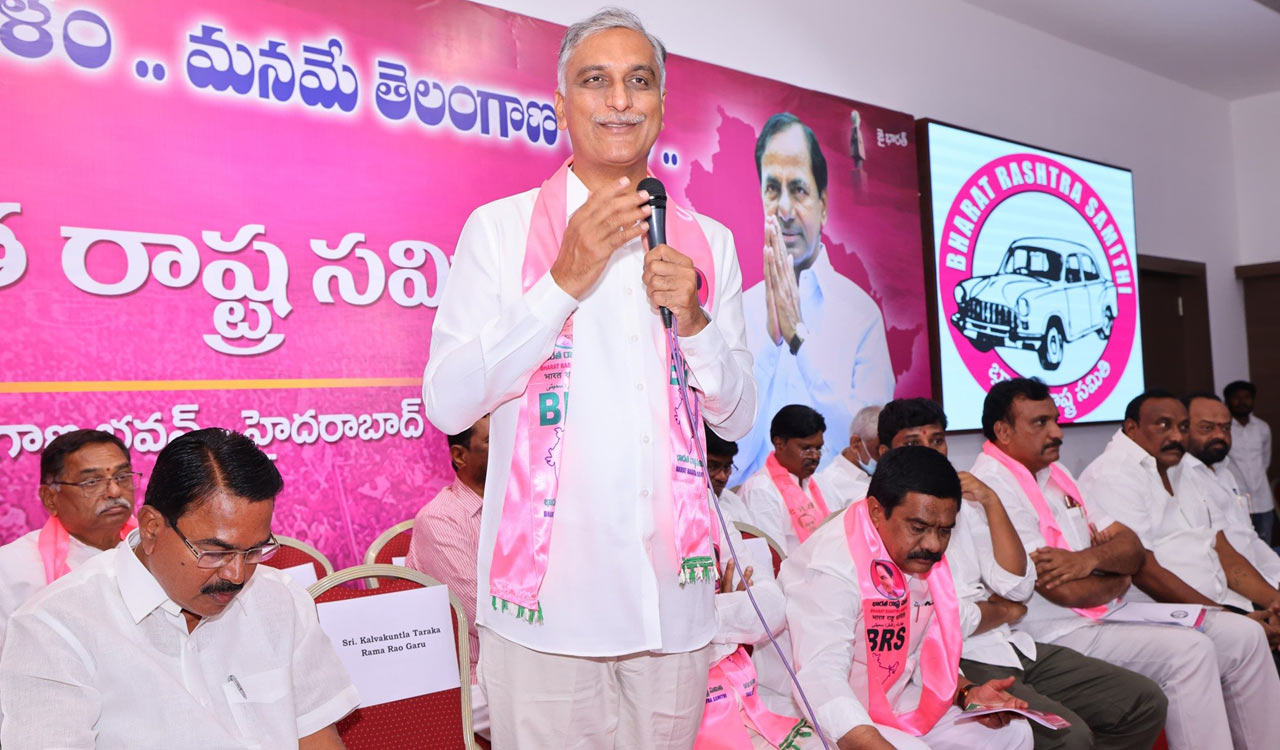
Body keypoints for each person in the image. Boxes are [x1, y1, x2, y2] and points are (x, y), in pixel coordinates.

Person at [421, 9, 756, 748]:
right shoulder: (500, 230)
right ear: (561, 106)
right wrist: (562, 282)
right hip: (549, 613)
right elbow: (447, 398)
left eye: (640, 82)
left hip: (674, 606)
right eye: (595, 81)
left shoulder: (711, 243)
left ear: (662, 106)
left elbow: (735, 419)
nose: (620, 100)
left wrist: (696, 321)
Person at [0, 428, 358, 748]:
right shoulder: (55, 627)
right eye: (215, 552)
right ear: (153, 527)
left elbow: (316, 736)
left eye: (253, 551)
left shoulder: (280, 598)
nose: (236, 574)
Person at [974, 378, 1280, 749]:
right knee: (1191, 653)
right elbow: (1063, 589)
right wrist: (1116, 577)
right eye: (1041, 423)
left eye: (1055, 420)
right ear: (1003, 431)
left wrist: (1089, 560)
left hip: (1105, 613)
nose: (1057, 432)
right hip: (1053, 632)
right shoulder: (993, 487)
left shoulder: (1056, 474)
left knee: (1243, 636)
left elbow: (1130, 549)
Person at [877, 397, 1167, 750]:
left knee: (1144, 701)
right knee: (1068, 736)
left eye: (936, 440)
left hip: (1008, 644)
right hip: (957, 660)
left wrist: (992, 503)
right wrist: (1002, 611)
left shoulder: (966, 502)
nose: (929, 452)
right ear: (882, 452)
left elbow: (1017, 587)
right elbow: (943, 618)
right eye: (913, 443)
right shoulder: (884, 517)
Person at [780, 446, 1033, 750]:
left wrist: (967, 693)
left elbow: (925, 646)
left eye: (944, 531)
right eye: (918, 528)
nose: (933, 544)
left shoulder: (919, 557)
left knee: (1012, 732)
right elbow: (820, 678)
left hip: (893, 696)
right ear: (876, 512)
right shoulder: (833, 565)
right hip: (819, 713)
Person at [733, 112, 894, 485]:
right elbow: (733, 459)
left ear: (823, 203)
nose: (785, 210)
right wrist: (772, 347)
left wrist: (797, 340)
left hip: (839, 516)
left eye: (799, 190)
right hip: (758, 522)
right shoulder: (740, 308)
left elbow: (869, 454)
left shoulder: (860, 314)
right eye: (773, 189)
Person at [693, 509, 818, 750]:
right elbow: (662, 624)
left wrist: (714, 612)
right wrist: (734, 612)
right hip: (678, 714)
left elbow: (772, 609)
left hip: (737, 698)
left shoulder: (708, 504)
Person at [0, 429, 137, 648]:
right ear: (50, 498)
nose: (114, 491)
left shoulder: (157, 551)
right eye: (91, 482)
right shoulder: (11, 568)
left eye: (122, 477)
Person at [405, 415, 490, 734]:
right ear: (459, 455)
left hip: (529, 664)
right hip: (472, 679)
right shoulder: (440, 519)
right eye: (492, 441)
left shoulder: (522, 507)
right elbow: (484, 615)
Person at [1180, 392, 1280, 592]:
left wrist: (1276, 579)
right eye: (1207, 427)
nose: (1219, 435)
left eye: (1226, 428)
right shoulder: (1178, 477)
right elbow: (1215, 554)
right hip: (1224, 593)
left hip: (1258, 583)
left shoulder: (1224, 472)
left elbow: (1249, 538)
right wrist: (1270, 594)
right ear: (1183, 428)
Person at [742, 405, 838, 554]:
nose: (815, 456)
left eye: (818, 449)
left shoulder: (820, 483)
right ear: (779, 444)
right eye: (806, 449)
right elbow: (775, 558)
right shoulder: (761, 490)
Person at [1224, 380, 1278, 545]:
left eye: (1246, 397)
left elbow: (1265, 460)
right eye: (1236, 398)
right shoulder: (1224, 428)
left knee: (1265, 548)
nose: (1242, 402)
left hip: (1263, 501)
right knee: (1241, 549)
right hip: (1235, 501)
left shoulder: (1262, 427)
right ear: (1227, 401)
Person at [816, 405, 881, 508]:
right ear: (855, 443)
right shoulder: (829, 484)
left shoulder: (887, 475)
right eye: (878, 449)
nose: (885, 454)